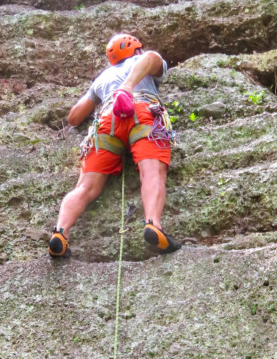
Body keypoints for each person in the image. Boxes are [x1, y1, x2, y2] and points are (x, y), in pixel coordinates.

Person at [48, 33, 181, 258]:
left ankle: (60, 232)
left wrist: (106, 93)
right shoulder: (143, 59)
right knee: (152, 174)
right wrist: (127, 86)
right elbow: (151, 58)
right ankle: (153, 225)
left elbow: (73, 118)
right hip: (142, 109)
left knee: (85, 187)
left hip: (108, 120)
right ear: (135, 50)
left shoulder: (102, 77)